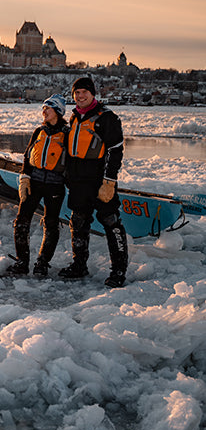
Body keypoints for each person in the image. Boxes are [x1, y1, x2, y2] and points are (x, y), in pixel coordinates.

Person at [59, 77, 128, 287]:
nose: (80, 96)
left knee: (111, 221)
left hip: (100, 181)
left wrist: (109, 181)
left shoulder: (107, 118)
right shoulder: (74, 118)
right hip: (79, 181)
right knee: (78, 222)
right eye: (76, 93)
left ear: (92, 94)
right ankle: (79, 265)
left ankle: (118, 271)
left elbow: (115, 151)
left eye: (84, 92)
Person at [7, 94, 69, 277]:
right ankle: (22, 262)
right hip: (33, 183)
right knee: (21, 222)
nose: (44, 111)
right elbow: (27, 156)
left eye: (48, 108)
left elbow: (73, 162)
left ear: (57, 111)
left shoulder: (67, 134)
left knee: (51, 224)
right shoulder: (39, 131)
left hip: (55, 186)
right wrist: (24, 177)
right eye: (43, 108)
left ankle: (42, 263)